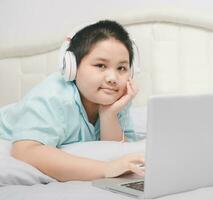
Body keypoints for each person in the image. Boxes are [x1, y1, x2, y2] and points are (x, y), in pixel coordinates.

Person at [0, 20, 145, 181]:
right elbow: (24, 150)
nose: (113, 78)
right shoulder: (53, 97)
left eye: (122, 68)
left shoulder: (118, 99)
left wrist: (109, 116)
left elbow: (115, 150)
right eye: (100, 65)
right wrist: (107, 169)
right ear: (72, 67)